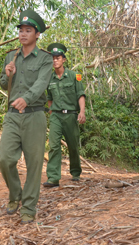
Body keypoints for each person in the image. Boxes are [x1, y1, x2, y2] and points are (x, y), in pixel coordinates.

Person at [0, 9, 52, 224]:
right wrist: (7, 74)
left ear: (37, 34)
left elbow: (41, 84)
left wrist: (27, 98)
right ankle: (15, 195)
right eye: (21, 30)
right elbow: (3, 83)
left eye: (28, 30)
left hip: (34, 115)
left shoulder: (45, 59)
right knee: (5, 159)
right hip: (12, 115)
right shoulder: (10, 56)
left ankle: (28, 207)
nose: (23, 34)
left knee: (34, 164)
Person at [42, 43, 86, 188]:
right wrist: (51, 110)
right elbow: (49, 97)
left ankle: (75, 172)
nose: (55, 60)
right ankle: (53, 178)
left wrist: (82, 112)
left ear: (64, 60)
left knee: (73, 146)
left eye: (58, 58)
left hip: (71, 116)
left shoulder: (74, 76)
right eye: (53, 58)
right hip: (56, 116)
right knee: (54, 145)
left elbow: (81, 95)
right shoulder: (50, 78)